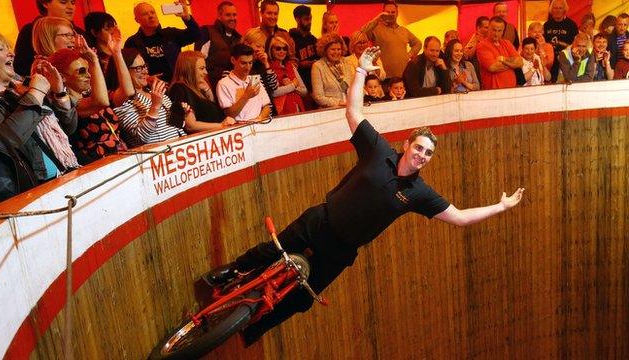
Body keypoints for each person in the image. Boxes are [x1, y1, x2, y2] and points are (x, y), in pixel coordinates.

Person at [202, 46, 525, 347]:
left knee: (302, 300)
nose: (423, 156)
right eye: (420, 148)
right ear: (408, 145)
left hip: (342, 249)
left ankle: (252, 329)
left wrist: (501, 205)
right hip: (321, 220)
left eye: (428, 154)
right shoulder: (378, 150)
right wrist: (360, 72)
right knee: (275, 248)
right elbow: (353, 112)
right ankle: (230, 270)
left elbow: (460, 217)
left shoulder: (418, 193)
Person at [0, 30, 78, 197]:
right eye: (1, 49)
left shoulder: (20, 88)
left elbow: (70, 126)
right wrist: (36, 93)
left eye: (9, 48)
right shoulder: (27, 92)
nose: (12, 53)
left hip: (64, 174)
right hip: (36, 189)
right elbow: (8, 140)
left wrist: (59, 93)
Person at [50, 34, 134, 164]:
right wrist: (94, 61)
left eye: (89, 70)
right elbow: (101, 102)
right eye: (82, 71)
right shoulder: (67, 105)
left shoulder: (90, 96)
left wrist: (117, 54)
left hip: (121, 159)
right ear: (63, 77)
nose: (89, 75)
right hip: (97, 166)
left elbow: (127, 91)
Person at [111, 48, 185, 147]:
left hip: (180, 151)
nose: (145, 72)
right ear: (123, 72)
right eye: (138, 68)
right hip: (156, 157)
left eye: (145, 66)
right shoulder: (124, 102)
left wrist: (183, 113)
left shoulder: (153, 92)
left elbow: (177, 126)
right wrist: (155, 107)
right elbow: (142, 137)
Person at [124, 1, 199, 83]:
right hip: (151, 88)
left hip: (176, 84)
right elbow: (128, 71)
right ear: (137, 20)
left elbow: (196, 35)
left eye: (152, 12)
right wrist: (146, 79)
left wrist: (186, 17)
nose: (151, 16)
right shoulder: (132, 42)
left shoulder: (170, 34)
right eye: (145, 14)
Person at [167, 51, 236, 133]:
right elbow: (190, 126)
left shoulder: (197, 88)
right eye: (201, 68)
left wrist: (208, 93)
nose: (206, 72)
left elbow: (214, 113)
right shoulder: (179, 89)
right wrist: (221, 125)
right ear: (189, 69)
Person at [13, 0, 85, 77]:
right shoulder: (31, 30)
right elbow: (21, 69)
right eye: (63, 2)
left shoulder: (80, 33)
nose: (70, 7)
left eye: (73, 3)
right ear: (45, 3)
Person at [360, 0, 422, 78]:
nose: (390, 14)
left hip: (403, 76)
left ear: (397, 13)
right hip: (384, 77)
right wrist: (377, 19)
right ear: (382, 13)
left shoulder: (404, 30)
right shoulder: (376, 29)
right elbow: (362, 33)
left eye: (393, 12)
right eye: (387, 12)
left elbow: (418, 43)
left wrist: (409, 54)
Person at [216, 44, 271, 122]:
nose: (248, 67)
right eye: (243, 63)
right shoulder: (223, 84)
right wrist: (246, 95)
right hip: (239, 130)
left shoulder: (255, 80)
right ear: (233, 60)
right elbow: (230, 115)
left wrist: (259, 118)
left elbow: (267, 106)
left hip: (258, 126)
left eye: (250, 63)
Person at [194, 1, 242, 90]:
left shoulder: (239, 38)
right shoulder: (207, 32)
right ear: (219, 16)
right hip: (211, 86)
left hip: (234, 87)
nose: (232, 18)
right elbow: (197, 62)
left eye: (234, 15)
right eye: (228, 15)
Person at [476, 16, 523, 90]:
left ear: (503, 31)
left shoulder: (507, 43)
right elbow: (493, 67)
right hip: (493, 91)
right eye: (494, 30)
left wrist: (503, 60)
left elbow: (520, 62)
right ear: (489, 29)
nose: (496, 34)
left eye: (499, 31)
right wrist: (513, 64)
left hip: (512, 89)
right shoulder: (482, 45)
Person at [311, 33, 354, 108]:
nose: (336, 52)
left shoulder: (346, 62)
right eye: (333, 49)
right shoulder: (318, 66)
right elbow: (318, 97)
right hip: (330, 111)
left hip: (350, 109)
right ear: (325, 50)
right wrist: (339, 103)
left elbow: (353, 86)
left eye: (338, 49)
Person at [268, 36, 307, 115]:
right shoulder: (267, 67)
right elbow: (273, 93)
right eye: (278, 48)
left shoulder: (290, 65)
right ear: (270, 50)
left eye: (284, 48)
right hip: (281, 111)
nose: (282, 51)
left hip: (298, 107)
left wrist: (292, 86)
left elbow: (304, 91)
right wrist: (293, 85)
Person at [543, 0, 578, 82]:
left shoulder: (571, 25)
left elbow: (576, 45)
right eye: (555, 8)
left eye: (560, 8)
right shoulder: (546, 25)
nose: (557, 11)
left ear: (565, 10)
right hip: (550, 62)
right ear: (551, 10)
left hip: (566, 61)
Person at [289, 5, 319, 95]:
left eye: (310, 19)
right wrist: (301, 64)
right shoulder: (290, 38)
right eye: (306, 19)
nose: (309, 22)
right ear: (297, 20)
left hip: (314, 85)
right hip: (298, 85)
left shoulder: (314, 40)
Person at [84, 12, 118, 76]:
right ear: (94, 32)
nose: (113, 31)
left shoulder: (119, 52)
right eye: (107, 28)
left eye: (114, 27)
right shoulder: (92, 57)